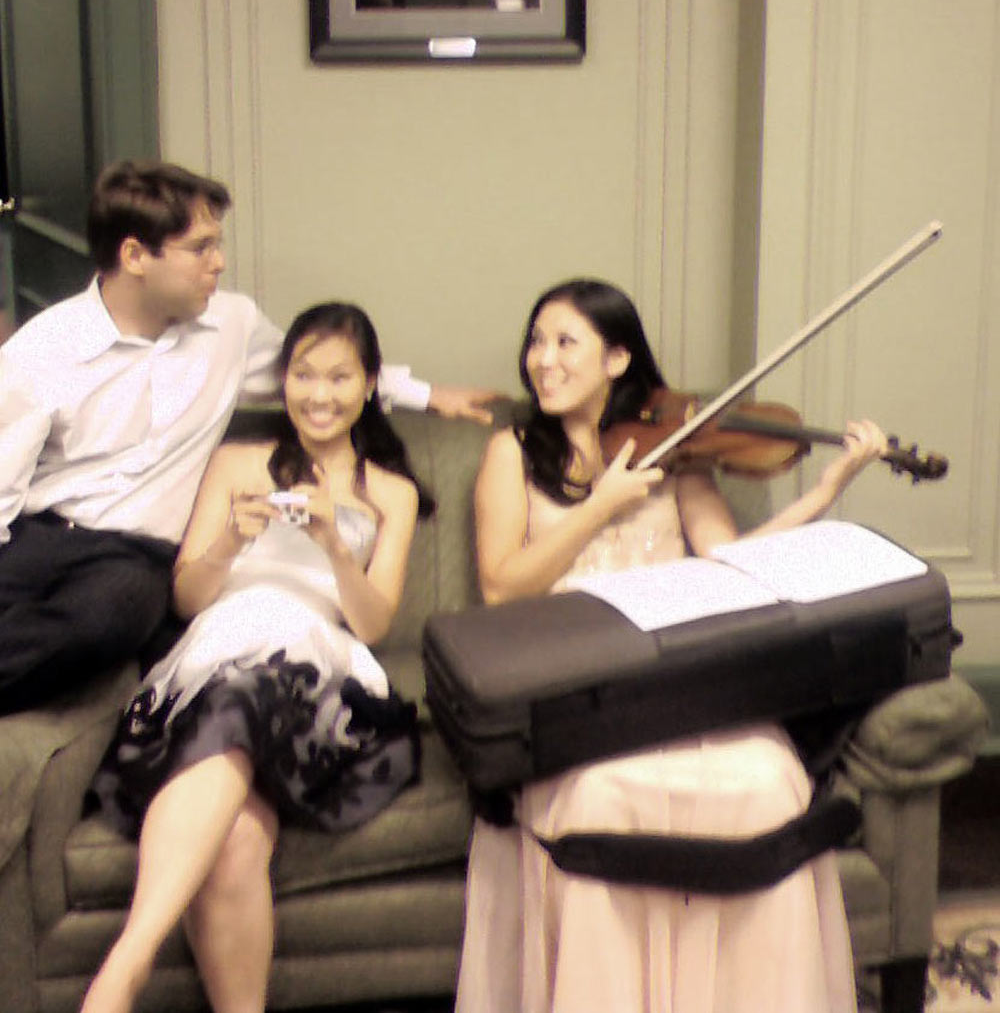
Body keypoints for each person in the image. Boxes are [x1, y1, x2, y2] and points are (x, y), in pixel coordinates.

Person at [455, 278, 890, 1013]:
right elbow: (502, 589)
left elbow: (734, 562)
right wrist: (596, 510)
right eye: (537, 341)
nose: (542, 360)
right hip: (574, 684)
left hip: (678, 680)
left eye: (566, 343)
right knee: (602, 793)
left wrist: (825, 491)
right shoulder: (512, 451)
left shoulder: (675, 448)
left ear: (618, 359)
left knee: (767, 783)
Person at [0, 160, 495, 716]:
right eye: (201, 248)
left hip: (133, 560)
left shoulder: (229, 326)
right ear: (136, 256)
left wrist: (425, 395)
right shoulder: (44, 348)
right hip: (39, 537)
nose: (221, 263)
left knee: (117, 612)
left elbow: (317, 372)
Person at [82, 300, 431, 1013]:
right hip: (217, 649)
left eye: (339, 378)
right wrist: (230, 543)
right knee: (237, 841)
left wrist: (336, 543)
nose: (320, 395)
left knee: (247, 694)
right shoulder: (237, 462)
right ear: (283, 382)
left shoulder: (389, 492)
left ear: (369, 386)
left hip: (320, 671)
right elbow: (187, 598)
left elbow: (371, 622)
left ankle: (125, 964)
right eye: (304, 375)